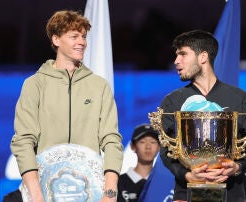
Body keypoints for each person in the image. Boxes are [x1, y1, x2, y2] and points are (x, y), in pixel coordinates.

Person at [9, 10, 123, 202]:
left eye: (84, 37)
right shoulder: (34, 84)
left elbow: (111, 139)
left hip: (91, 193)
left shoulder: (99, 85)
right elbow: (23, 141)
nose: (82, 42)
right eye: (74, 36)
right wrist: (36, 195)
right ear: (56, 40)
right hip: (42, 192)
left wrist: (110, 193)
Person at [159, 29, 246, 201]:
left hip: (231, 193)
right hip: (186, 194)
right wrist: (187, 175)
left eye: (183, 54)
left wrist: (236, 167)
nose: (176, 61)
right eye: (177, 55)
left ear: (203, 57)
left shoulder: (240, 99)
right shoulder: (172, 102)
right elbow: (166, 152)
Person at [117, 123, 160, 202]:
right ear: (132, 147)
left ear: (159, 147)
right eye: (142, 142)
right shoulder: (118, 183)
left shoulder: (163, 183)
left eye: (153, 142)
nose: (148, 147)